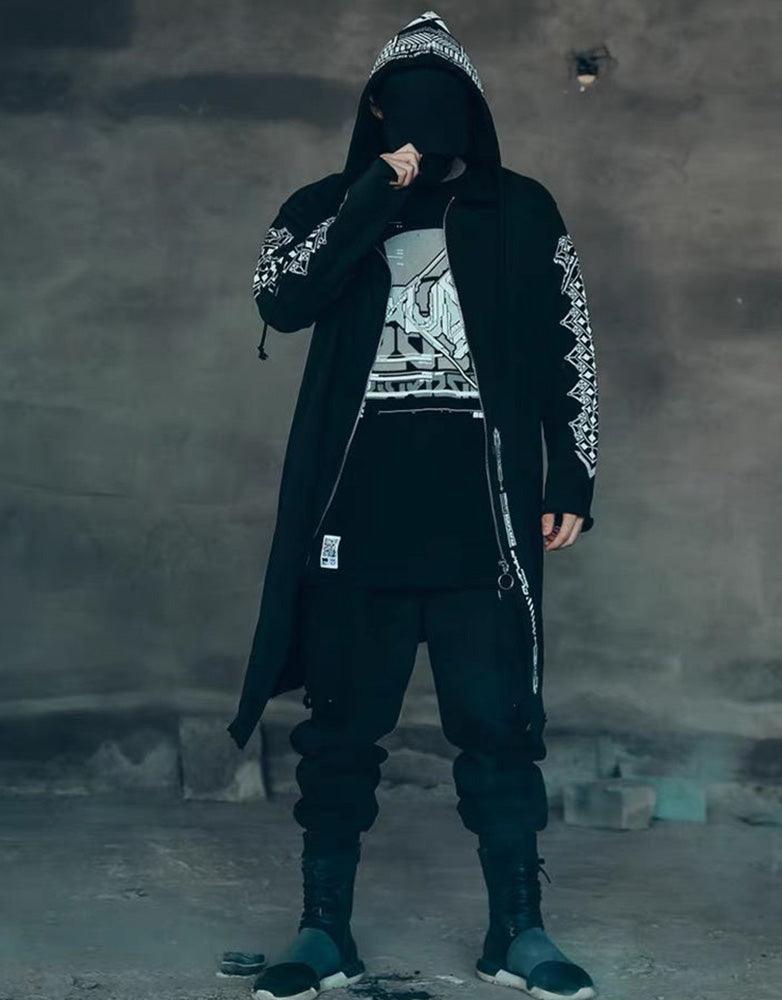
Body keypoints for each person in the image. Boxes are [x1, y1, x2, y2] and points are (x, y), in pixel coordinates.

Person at [229, 12, 599, 1000]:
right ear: (376, 110)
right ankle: (323, 932)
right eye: (405, 101)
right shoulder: (322, 203)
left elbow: (568, 344)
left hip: (484, 522)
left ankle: (517, 931)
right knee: (339, 737)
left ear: (472, 110)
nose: (426, 118)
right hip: (357, 519)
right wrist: (372, 194)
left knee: (501, 729)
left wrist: (570, 475)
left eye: (447, 100)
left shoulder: (521, 209)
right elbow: (281, 299)